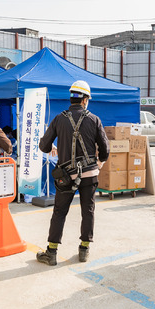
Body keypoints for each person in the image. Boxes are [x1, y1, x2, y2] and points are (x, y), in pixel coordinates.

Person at [36, 80, 110, 266]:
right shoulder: (94, 120)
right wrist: (100, 162)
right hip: (89, 174)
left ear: (72, 98)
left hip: (66, 176)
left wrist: (53, 146)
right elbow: (105, 148)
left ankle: (51, 253)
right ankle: (84, 250)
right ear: (85, 99)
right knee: (88, 210)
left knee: (59, 212)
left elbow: (44, 146)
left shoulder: (59, 119)